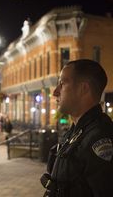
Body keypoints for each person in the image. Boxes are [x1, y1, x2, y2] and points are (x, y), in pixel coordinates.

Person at [40, 59, 113, 197]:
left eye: (62, 84)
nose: (55, 92)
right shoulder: (76, 132)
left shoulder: (99, 138)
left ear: (83, 89)